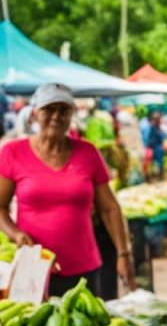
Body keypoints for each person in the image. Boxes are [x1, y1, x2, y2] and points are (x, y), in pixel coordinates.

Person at [0, 83, 136, 296]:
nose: (56, 116)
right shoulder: (12, 152)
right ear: (35, 113)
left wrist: (123, 253)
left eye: (64, 110)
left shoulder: (88, 153)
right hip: (34, 268)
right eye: (49, 109)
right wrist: (15, 234)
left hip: (84, 267)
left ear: (71, 114)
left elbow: (109, 208)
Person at [144, 111, 165, 180]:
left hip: (157, 148)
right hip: (154, 148)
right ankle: (152, 178)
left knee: (158, 164)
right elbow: (148, 139)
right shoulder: (152, 128)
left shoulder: (157, 127)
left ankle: (159, 177)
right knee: (153, 164)